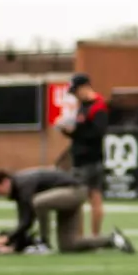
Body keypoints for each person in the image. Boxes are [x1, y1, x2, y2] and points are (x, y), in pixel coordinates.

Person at [0, 167, 132, 255]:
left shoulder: (23, 184)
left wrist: (7, 238)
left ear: (5, 182)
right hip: (69, 195)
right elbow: (23, 221)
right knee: (69, 245)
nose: (0, 195)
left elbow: (28, 218)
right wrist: (12, 243)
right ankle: (112, 240)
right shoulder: (18, 188)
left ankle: (44, 243)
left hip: (74, 191)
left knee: (38, 202)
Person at [55, 73, 111, 237]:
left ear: (84, 87)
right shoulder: (83, 106)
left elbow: (98, 132)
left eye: (76, 91)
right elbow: (80, 133)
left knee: (83, 199)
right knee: (89, 199)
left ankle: (91, 236)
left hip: (90, 159)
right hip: (81, 158)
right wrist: (68, 132)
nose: (75, 95)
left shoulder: (98, 106)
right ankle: (83, 236)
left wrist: (77, 133)